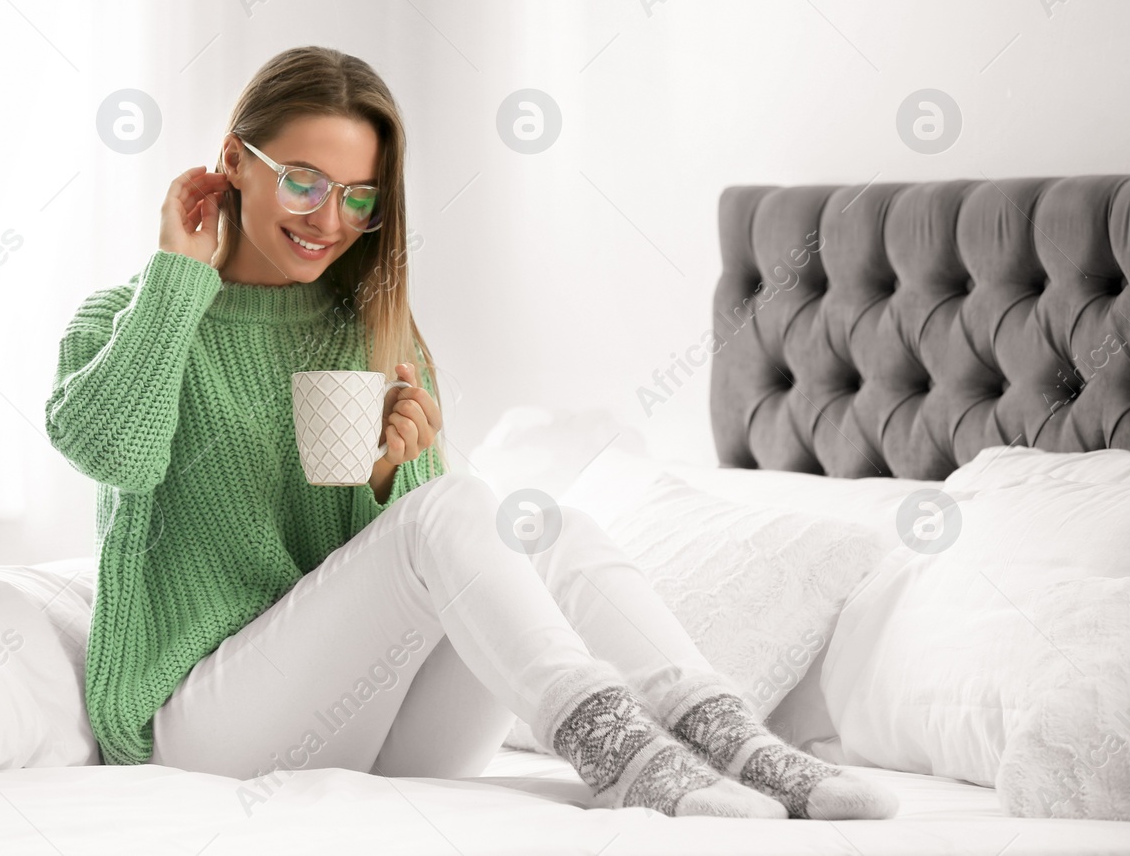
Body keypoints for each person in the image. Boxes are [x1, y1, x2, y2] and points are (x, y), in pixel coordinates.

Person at [44, 45, 897, 820]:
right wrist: (176, 278)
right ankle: (618, 748)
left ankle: (730, 738)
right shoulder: (133, 316)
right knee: (456, 505)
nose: (329, 219)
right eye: (304, 181)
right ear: (235, 161)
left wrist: (390, 479)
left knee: (545, 525)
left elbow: (422, 578)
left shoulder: (373, 330)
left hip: (370, 726)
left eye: (359, 196)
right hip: (201, 725)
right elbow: (110, 450)